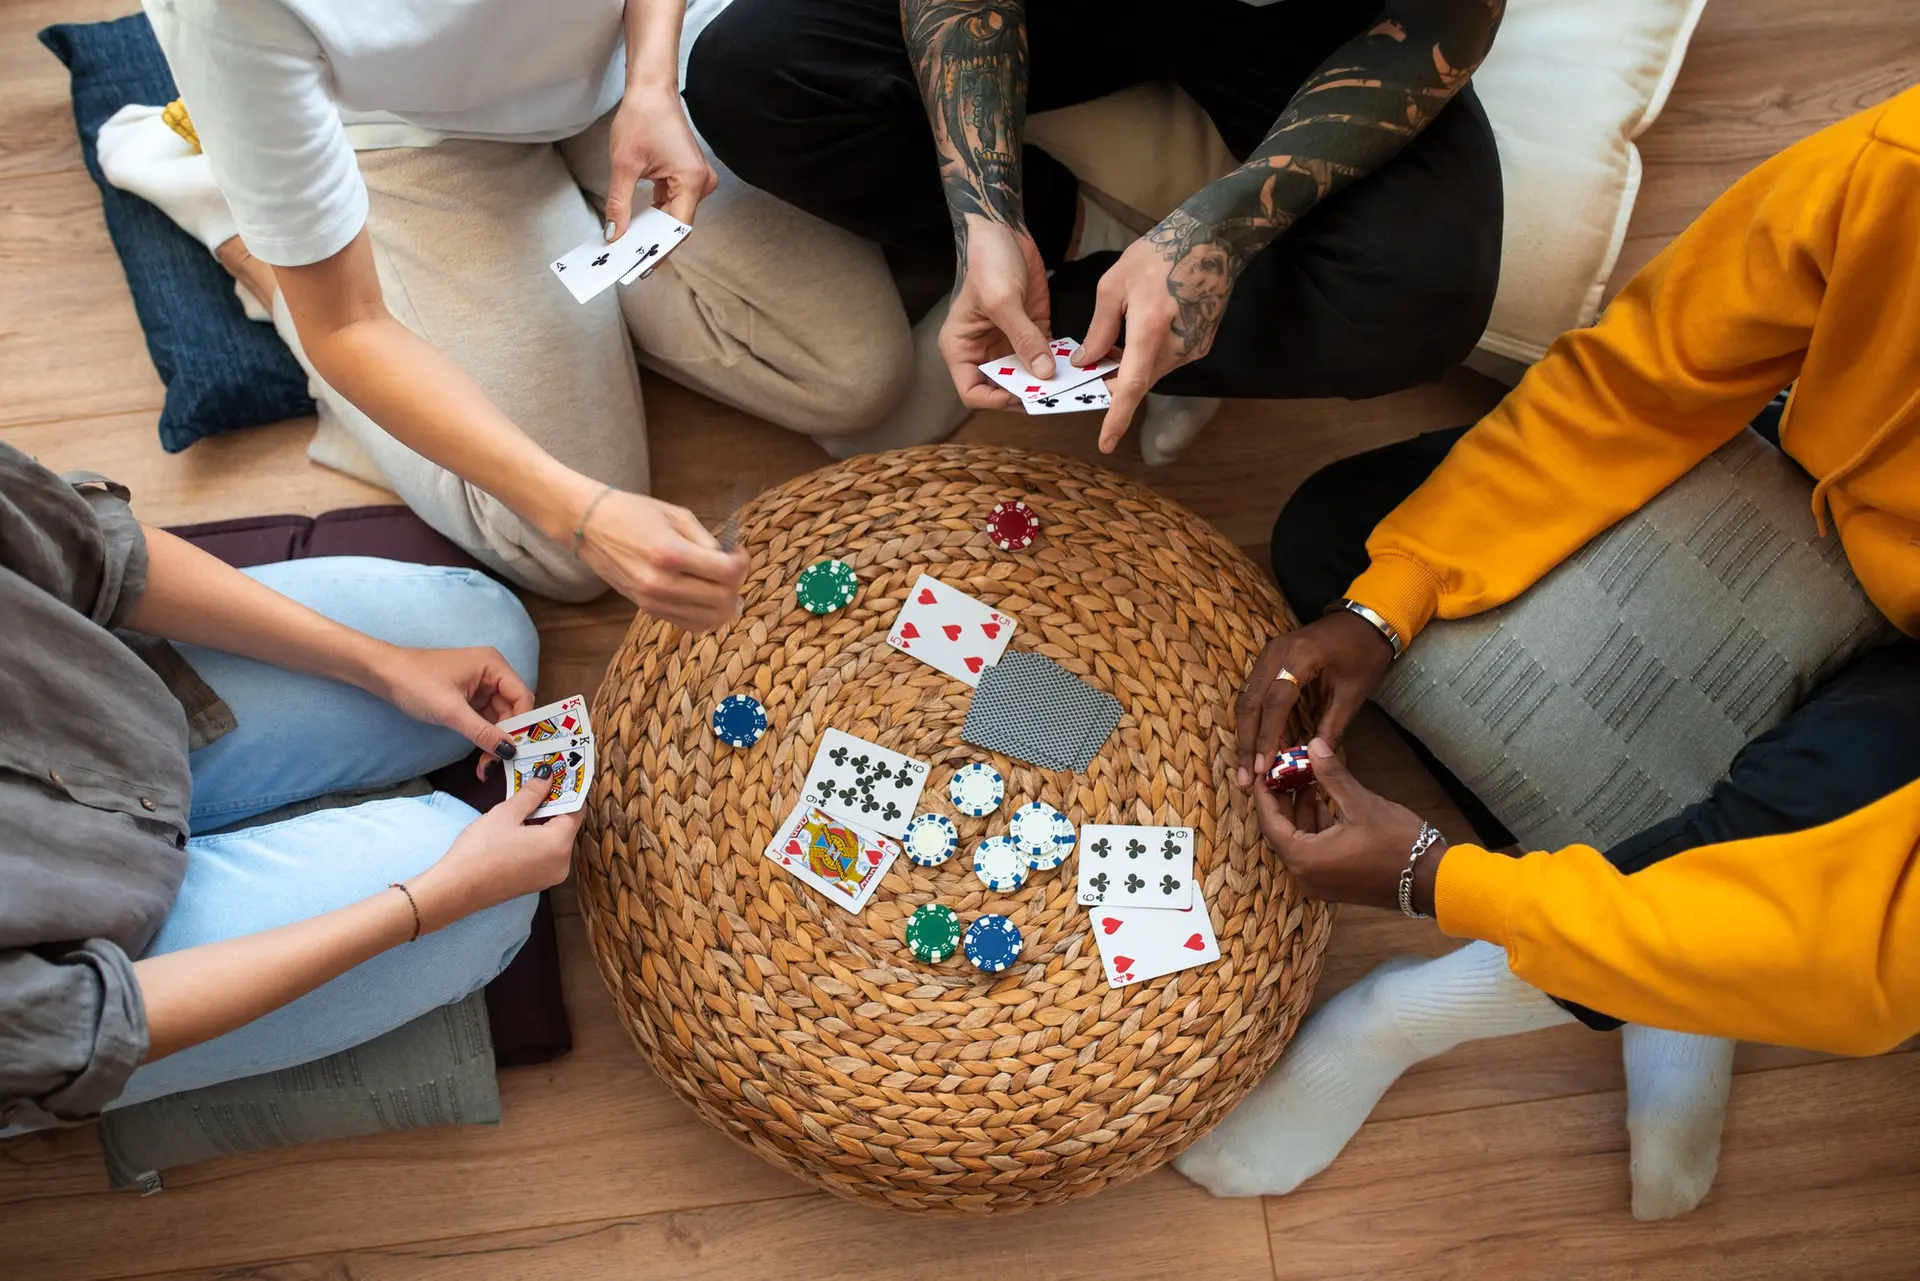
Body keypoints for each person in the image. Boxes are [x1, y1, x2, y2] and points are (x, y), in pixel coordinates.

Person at [1173, 88, 1920, 1211]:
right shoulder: (1900, 161)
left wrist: (1442, 884)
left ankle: (1438, 1016)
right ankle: (1654, 954)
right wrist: (1391, 604)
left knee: (1799, 822)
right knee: (1346, 538)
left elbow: (1877, 956)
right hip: (1832, 499)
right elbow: (1641, 376)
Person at [99, 0, 927, 614]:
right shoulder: (227, 14)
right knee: (558, 550)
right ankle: (240, 226)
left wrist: (649, 85)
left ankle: (538, 289)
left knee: (856, 376)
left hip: (616, 61)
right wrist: (587, 511)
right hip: (402, 137)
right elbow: (348, 325)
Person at [0, 442, 578, 1130]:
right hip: (94, 970)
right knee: (488, 907)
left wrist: (384, 665)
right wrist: (431, 900)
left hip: (110, 707)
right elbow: (91, 1021)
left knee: (492, 638)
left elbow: (95, 548)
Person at [684, 0, 1506, 462]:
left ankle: (1169, 325)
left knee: (1424, 295)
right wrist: (985, 216)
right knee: (746, 77)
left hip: (1321, 23)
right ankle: (1057, 257)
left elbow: (1448, 23)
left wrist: (1223, 230)